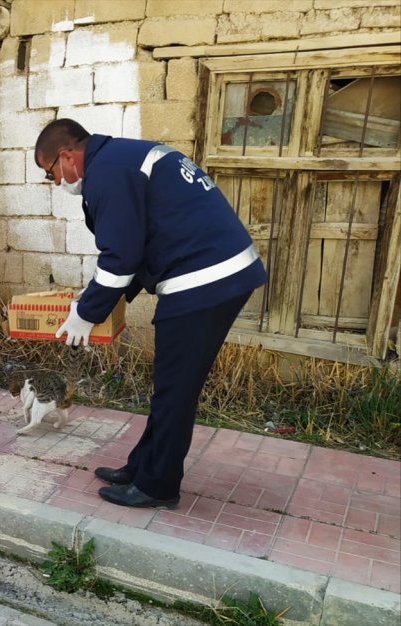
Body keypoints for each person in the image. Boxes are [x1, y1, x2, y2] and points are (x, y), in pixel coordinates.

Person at [35, 119, 267, 509]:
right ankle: (142, 467)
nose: (57, 182)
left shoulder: (107, 172)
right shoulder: (120, 157)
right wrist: (98, 299)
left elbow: (121, 256)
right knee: (169, 384)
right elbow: (138, 247)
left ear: (67, 156)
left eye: (50, 173)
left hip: (206, 280)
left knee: (176, 389)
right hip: (213, 273)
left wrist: (87, 313)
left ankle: (158, 486)